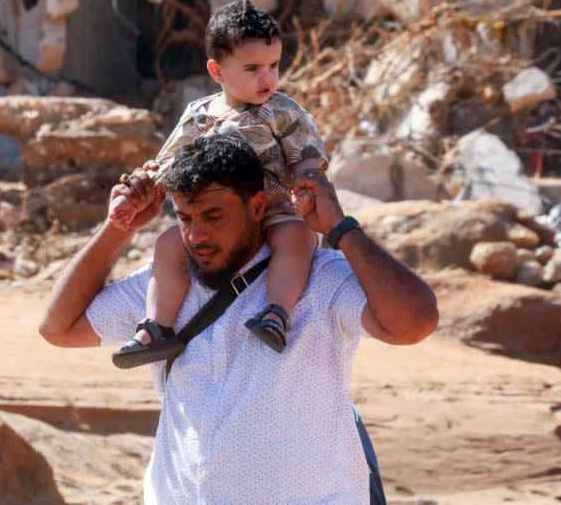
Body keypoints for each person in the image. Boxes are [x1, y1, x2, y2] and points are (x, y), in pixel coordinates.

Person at [38, 134, 438, 503]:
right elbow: (59, 327)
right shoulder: (166, 286)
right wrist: (117, 227)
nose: (196, 235)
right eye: (185, 218)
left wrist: (339, 228)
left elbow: (414, 321)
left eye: (214, 216)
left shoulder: (318, 280)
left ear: (257, 206)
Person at [108, 0, 328, 368]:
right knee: (167, 246)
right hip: (212, 214)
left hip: (276, 207)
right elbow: (168, 161)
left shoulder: (284, 110)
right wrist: (139, 189)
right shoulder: (199, 114)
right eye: (253, 68)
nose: (267, 78)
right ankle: (156, 328)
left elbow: (307, 153)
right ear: (217, 70)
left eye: (274, 66)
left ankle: (276, 313)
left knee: (297, 239)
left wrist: (308, 177)